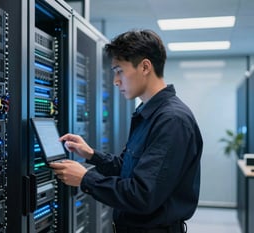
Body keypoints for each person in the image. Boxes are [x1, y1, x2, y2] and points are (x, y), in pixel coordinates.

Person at [49, 29, 203, 233]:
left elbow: (143, 195)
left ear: (145, 67)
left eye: (119, 70)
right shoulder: (148, 113)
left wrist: (85, 179)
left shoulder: (171, 120)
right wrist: (92, 155)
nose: (115, 80)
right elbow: (128, 169)